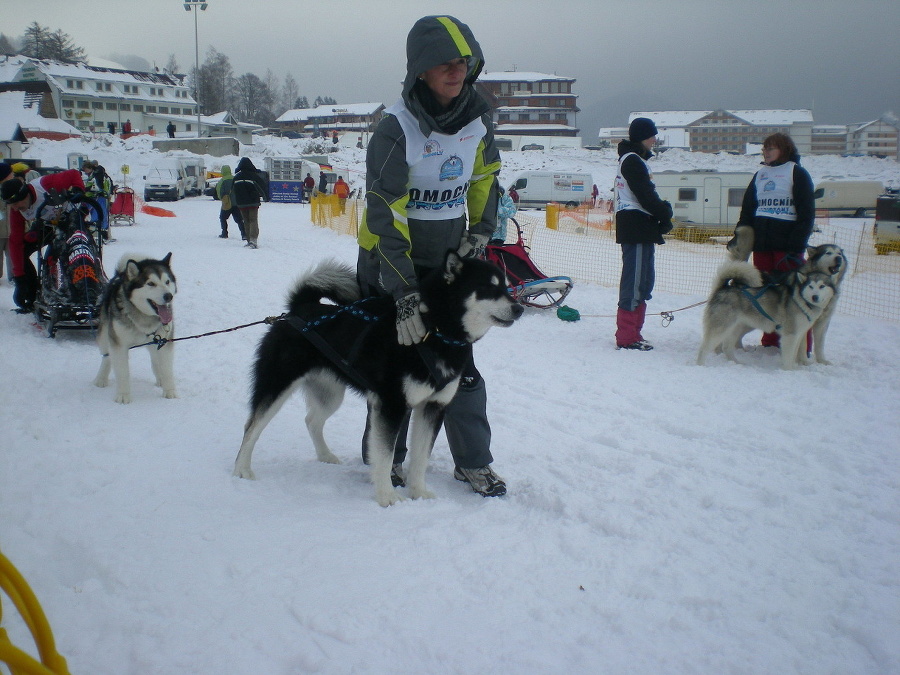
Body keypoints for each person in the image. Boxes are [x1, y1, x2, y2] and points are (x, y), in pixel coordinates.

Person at [357, 14, 506, 497]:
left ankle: (473, 462)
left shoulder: (478, 122)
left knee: (458, 366)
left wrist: (480, 233)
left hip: (448, 268)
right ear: (420, 69)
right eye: (443, 62)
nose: (456, 70)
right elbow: (384, 217)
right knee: (396, 364)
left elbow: (485, 180)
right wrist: (402, 292)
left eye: (462, 61)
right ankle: (386, 458)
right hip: (390, 262)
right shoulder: (395, 130)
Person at [735, 132, 815, 349]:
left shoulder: (796, 173)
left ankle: (800, 345)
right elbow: (748, 210)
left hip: (787, 247)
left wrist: (796, 245)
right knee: (766, 295)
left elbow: (806, 213)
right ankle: (770, 341)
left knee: (794, 298)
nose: (766, 152)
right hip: (762, 245)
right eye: (764, 148)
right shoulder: (760, 175)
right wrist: (740, 236)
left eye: (771, 148)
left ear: (784, 149)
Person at [613, 117, 673, 351]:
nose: (654, 139)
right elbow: (645, 195)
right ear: (642, 137)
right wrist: (664, 212)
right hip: (634, 225)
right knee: (635, 281)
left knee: (644, 281)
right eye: (651, 135)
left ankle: (634, 332)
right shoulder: (632, 161)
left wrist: (659, 217)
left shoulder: (636, 160)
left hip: (641, 225)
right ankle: (626, 336)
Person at [1, 168, 85, 311]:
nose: (15, 209)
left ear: (24, 195)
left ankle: (78, 288)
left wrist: (78, 189)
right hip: (47, 224)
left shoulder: (45, 184)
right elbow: (15, 242)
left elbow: (73, 174)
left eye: (16, 204)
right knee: (23, 250)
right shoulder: (17, 211)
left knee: (61, 253)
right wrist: (20, 280)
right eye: (12, 206)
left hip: (72, 218)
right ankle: (33, 292)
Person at [231, 157, 267, 249]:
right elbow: (262, 187)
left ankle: (248, 240)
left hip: (241, 203)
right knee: (253, 220)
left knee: (246, 221)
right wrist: (266, 197)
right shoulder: (254, 176)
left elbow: (232, 190)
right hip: (253, 202)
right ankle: (253, 239)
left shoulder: (236, 177)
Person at [82, 160, 113, 242]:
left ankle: (101, 233)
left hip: (98, 197)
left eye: (85, 169)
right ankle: (104, 233)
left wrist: (85, 191)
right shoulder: (100, 174)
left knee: (99, 214)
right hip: (101, 197)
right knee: (102, 214)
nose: (85, 172)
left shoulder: (95, 175)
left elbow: (94, 187)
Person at [216, 165, 245, 239]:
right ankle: (244, 234)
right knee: (239, 219)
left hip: (227, 204)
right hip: (236, 203)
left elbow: (219, 192)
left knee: (223, 218)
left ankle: (224, 233)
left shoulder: (222, 181)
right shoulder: (235, 178)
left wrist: (222, 199)